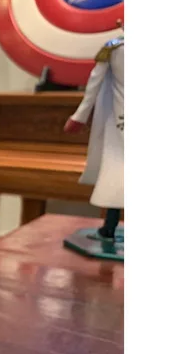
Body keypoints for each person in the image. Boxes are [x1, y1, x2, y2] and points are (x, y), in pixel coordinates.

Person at [64, 28, 124, 240]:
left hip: (119, 120)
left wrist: (80, 116)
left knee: (116, 172)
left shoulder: (114, 48)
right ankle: (109, 228)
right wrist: (80, 116)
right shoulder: (114, 48)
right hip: (119, 119)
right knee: (116, 172)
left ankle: (109, 227)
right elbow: (94, 84)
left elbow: (94, 84)